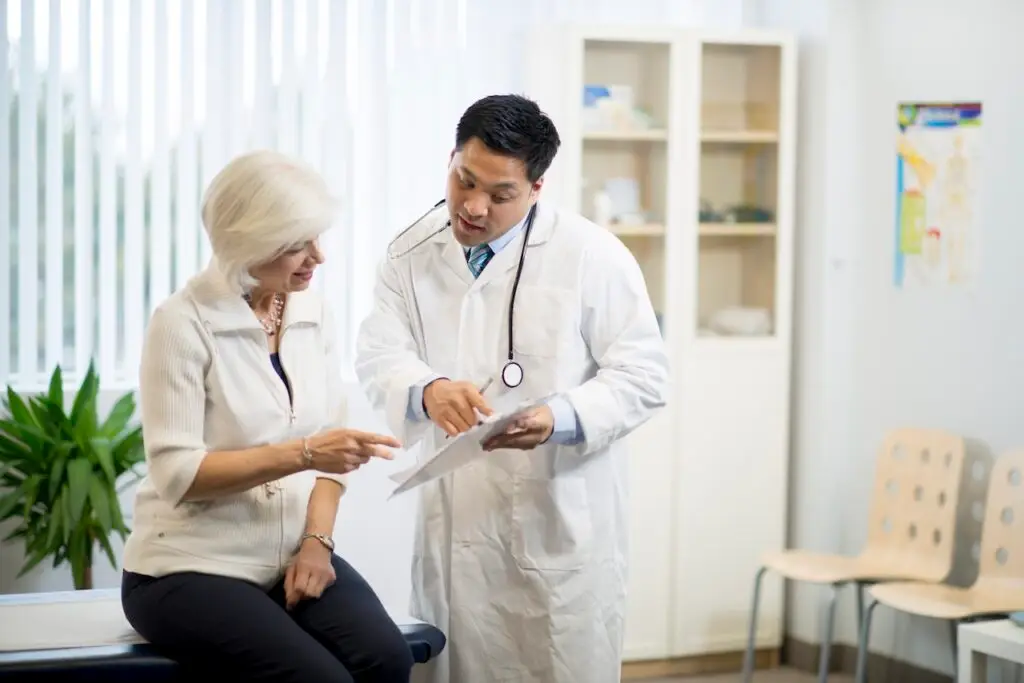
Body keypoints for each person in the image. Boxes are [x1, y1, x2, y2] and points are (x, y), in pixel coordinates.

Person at [355, 94, 670, 682]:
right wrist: (426, 389)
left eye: (500, 196)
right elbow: (378, 352)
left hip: (556, 523)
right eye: (463, 179)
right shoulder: (409, 253)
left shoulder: (590, 255)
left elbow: (644, 374)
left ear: (536, 188)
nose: (473, 207)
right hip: (453, 525)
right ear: (451, 157)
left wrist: (560, 417)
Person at [120, 150, 414, 683]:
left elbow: (330, 455)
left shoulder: (310, 313)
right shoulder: (182, 324)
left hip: (287, 557)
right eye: (297, 243)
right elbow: (178, 475)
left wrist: (316, 544)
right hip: (186, 567)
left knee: (388, 659)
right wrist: (302, 453)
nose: (317, 257)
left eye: (317, 238)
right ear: (246, 241)